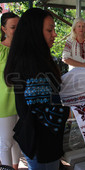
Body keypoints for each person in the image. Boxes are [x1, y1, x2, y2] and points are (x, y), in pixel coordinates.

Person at [4, 8, 69, 170]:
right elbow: (43, 112)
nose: (54, 34)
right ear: (34, 32)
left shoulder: (37, 58)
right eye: (49, 30)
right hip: (41, 140)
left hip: (39, 138)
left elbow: (47, 98)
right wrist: (78, 111)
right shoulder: (31, 64)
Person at [0, 12, 20, 170]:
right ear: (3, 29)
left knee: (17, 140)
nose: (17, 30)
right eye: (13, 27)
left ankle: (15, 167)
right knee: (5, 142)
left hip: (22, 101)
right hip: (4, 103)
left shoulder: (24, 49)